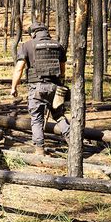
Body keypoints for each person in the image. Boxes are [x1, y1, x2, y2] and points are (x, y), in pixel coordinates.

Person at [10, 22, 70, 156]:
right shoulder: (57, 45)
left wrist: (14, 87)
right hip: (55, 87)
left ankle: (39, 150)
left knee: (37, 119)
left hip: (37, 88)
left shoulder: (27, 45)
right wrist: (59, 84)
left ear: (33, 33)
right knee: (59, 116)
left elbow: (19, 68)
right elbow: (62, 69)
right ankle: (73, 141)